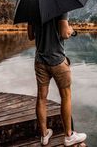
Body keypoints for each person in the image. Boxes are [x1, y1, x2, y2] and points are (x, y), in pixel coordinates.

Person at [27, 13, 87, 146]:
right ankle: (69, 136)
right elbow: (65, 33)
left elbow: (31, 36)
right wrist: (71, 30)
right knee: (66, 96)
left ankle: (44, 135)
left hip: (40, 61)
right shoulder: (61, 8)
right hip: (58, 61)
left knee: (41, 97)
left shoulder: (33, 9)